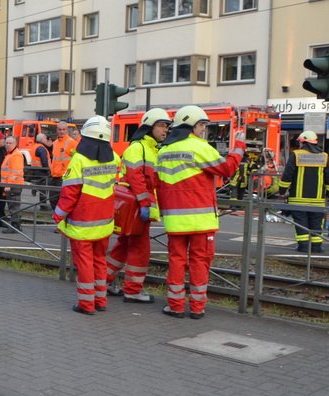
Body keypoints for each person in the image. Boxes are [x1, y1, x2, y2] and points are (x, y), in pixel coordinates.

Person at [156, 105, 245, 319]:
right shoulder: (199, 147)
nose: (204, 129)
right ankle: (197, 308)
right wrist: (239, 146)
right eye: (201, 125)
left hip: (175, 221)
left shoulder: (164, 150)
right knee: (200, 262)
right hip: (201, 221)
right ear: (191, 126)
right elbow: (227, 169)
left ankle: (175, 306)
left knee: (176, 261)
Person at [53, 116, 120, 315]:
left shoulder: (79, 159)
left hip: (83, 222)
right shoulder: (115, 158)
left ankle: (86, 304)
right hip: (105, 222)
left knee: (84, 263)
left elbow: (70, 193)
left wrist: (58, 215)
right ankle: (100, 300)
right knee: (100, 260)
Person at [105, 108, 171, 304]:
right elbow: (136, 178)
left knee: (123, 246)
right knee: (140, 250)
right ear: (149, 127)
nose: (165, 130)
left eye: (167, 126)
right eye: (161, 125)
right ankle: (133, 290)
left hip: (138, 207)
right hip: (137, 207)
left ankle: (102, 280)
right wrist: (145, 203)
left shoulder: (150, 149)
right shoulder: (138, 148)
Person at [276, 130, 329, 253]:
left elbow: (288, 175)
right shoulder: (324, 157)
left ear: (302, 142)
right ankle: (317, 247)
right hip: (318, 200)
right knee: (316, 223)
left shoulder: (296, 155)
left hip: (298, 199)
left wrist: (282, 191)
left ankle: (303, 247)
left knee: (301, 223)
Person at [49, 120, 78, 209]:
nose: (61, 131)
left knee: (61, 201)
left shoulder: (72, 143)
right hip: (54, 176)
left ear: (67, 130)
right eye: (60, 129)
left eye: (63, 129)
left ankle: (61, 220)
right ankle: (59, 219)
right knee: (52, 199)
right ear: (57, 130)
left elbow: (76, 161)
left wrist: (67, 175)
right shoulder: (55, 143)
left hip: (64, 177)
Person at [0, 135, 26, 231]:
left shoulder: (16, 155)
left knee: (14, 205)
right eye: (6, 143)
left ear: (15, 144)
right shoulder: (10, 154)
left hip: (13, 185)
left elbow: (15, 172)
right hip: (11, 185)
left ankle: (15, 226)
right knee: (12, 205)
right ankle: (15, 224)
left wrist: (8, 184)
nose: (7, 145)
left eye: (10, 143)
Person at [33, 133, 53, 209]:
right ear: (42, 140)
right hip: (42, 172)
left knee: (42, 188)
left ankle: (35, 188)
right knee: (43, 189)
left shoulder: (36, 146)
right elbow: (44, 161)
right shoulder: (41, 148)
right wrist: (48, 170)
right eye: (45, 138)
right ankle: (43, 206)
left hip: (36, 171)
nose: (46, 140)